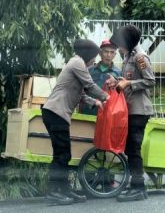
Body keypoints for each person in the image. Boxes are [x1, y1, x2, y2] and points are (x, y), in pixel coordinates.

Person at [42, 39, 110, 206]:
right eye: (94, 56)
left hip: (56, 113)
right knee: (62, 155)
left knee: (64, 154)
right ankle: (53, 193)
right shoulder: (77, 62)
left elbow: (80, 93)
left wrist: (95, 102)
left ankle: (64, 190)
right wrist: (106, 96)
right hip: (56, 112)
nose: (94, 60)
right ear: (87, 54)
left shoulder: (76, 63)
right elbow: (89, 85)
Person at [109, 25, 155, 202]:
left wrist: (129, 84)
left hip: (139, 110)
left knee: (133, 149)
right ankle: (136, 186)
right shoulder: (128, 56)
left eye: (120, 44)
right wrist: (119, 81)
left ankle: (138, 187)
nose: (118, 48)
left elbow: (150, 81)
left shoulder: (140, 57)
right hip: (130, 109)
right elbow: (129, 78)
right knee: (130, 149)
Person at [80, 39, 122, 115]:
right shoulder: (89, 70)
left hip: (107, 114)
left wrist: (116, 83)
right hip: (88, 111)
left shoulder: (118, 73)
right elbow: (80, 91)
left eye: (112, 52)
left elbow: (120, 94)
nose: (109, 55)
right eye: (106, 51)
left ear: (115, 55)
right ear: (100, 53)